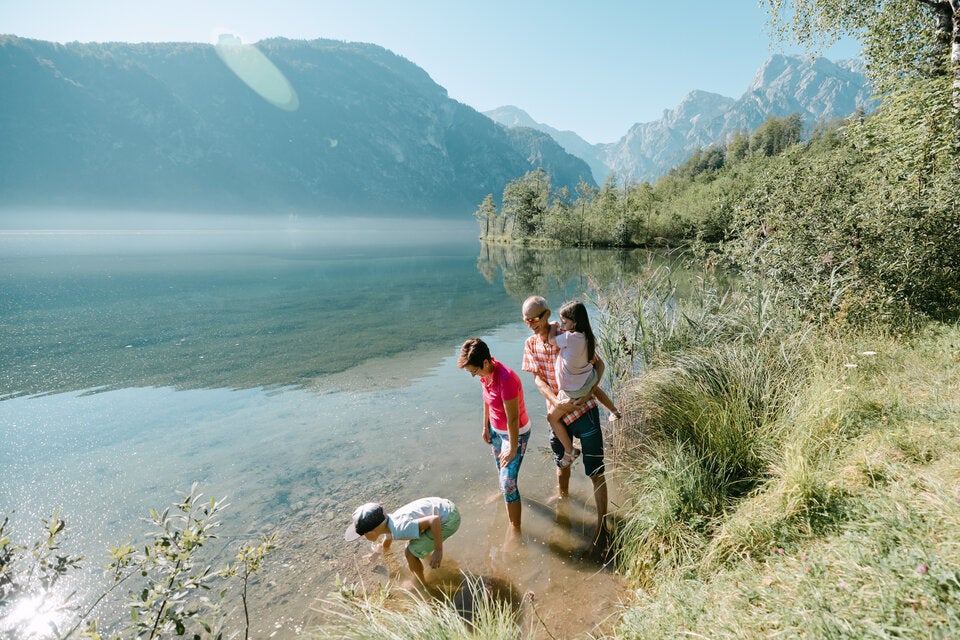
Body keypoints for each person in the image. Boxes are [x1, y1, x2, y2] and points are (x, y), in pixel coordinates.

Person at [521, 295, 608, 542]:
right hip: (557, 413)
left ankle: (602, 524)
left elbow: (599, 365)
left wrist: (588, 391)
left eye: (535, 318)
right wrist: (556, 400)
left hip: (585, 411)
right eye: (527, 320)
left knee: (597, 471)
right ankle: (564, 501)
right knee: (562, 462)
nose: (531, 324)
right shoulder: (530, 344)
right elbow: (537, 379)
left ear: (547, 314)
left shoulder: (569, 333)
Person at [458, 337, 530, 538]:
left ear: (486, 362)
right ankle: (504, 495)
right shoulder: (485, 374)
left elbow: (513, 418)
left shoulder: (506, 378)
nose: (474, 375)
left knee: (508, 483)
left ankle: (515, 529)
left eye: (474, 370)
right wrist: (485, 426)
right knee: (501, 470)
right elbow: (487, 401)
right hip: (497, 431)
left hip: (516, 433)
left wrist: (513, 447)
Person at [548, 300, 621, 468]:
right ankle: (614, 410)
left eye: (564, 322)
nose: (562, 325)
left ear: (575, 322)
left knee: (552, 418)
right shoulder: (587, 337)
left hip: (573, 390)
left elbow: (552, 339)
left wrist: (553, 325)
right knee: (595, 389)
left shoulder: (570, 338)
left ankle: (570, 450)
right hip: (587, 379)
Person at [344, 497, 461, 584]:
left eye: (362, 534)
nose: (363, 536)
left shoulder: (400, 529)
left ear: (370, 533)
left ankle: (420, 582)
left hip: (449, 520)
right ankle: (427, 557)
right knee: (414, 543)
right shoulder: (389, 522)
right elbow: (388, 539)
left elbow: (434, 520)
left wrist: (438, 550)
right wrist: (377, 552)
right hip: (446, 506)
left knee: (409, 551)